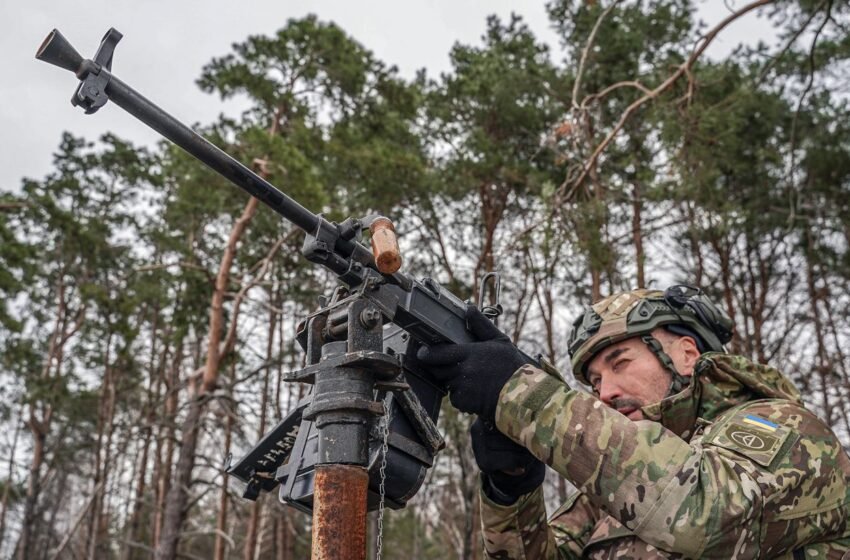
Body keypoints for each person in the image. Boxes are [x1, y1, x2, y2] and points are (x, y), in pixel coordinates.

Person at [417, 286, 850, 559]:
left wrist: (522, 393)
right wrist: (513, 488)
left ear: (686, 354)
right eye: (595, 381)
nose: (604, 393)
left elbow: (705, 512)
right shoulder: (606, 497)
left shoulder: (788, 429)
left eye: (620, 363)